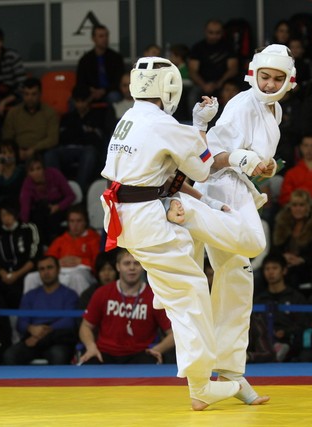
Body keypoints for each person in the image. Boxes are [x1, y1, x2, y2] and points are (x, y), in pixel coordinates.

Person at [100, 56, 244, 410]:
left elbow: (168, 173)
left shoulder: (128, 118)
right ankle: (200, 386)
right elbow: (204, 169)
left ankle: (163, 293)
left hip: (125, 214)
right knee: (192, 292)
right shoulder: (165, 124)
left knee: (179, 269)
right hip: (144, 217)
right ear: (170, 88)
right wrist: (200, 125)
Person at [181, 44, 295, 404]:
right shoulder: (242, 105)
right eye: (265, 77)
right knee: (253, 245)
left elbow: (258, 159)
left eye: (277, 78)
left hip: (240, 191)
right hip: (217, 190)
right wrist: (241, 159)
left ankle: (229, 375)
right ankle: (189, 214)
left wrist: (266, 166)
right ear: (253, 74)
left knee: (238, 281)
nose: (270, 83)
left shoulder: (274, 110)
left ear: (289, 81)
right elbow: (209, 159)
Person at [79, 249, 174, 364]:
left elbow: (173, 333)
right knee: (89, 362)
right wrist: (91, 347)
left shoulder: (154, 297)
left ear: (143, 266)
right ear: (118, 266)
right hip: (105, 353)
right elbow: (85, 326)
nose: (132, 268)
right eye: (127, 263)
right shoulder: (102, 293)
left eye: (137, 263)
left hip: (139, 355)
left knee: (150, 360)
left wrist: (157, 349)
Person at [3, 256, 79, 365]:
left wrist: (44, 332)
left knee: (59, 355)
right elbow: (21, 323)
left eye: (50, 267)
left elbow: (70, 321)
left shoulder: (70, 295)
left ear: (58, 269)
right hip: (32, 339)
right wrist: (31, 328)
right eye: (42, 269)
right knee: (10, 355)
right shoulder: (30, 296)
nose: (46, 272)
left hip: (57, 340)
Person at [45, 85, 115, 193]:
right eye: (77, 101)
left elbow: (97, 141)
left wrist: (78, 133)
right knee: (50, 154)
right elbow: (63, 138)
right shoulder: (67, 117)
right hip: (67, 149)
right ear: (73, 101)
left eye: (83, 101)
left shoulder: (98, 116)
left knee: (90, 152)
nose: (80, 104)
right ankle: (58, 189)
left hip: (87, 150)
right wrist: (85, 132)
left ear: (89, 99)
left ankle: (78, 190)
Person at [24, 204, 100, 296]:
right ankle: (29, 305)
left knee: (77, 277)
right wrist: (57, 263)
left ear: (85, 222)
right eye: (72, 221)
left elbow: (99, 264)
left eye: (79, 221)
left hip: (83, 273)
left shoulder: (94, 238)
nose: (75, 225)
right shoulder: (61, 239)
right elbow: (48, 258)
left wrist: (81, 261)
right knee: (31, 278)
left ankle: (82, 305)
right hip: (60, 272)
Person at [253, 254, 306, 362]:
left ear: (284, 270)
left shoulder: (296, 297)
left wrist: (285, 332)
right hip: (264, 342)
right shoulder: (258, 299)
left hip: (290, 342)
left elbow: (303, 323)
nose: (270, 272)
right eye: (267, 269)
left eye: (274, 268)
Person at [272, 189, 312, 290]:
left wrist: (302, 259)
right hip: (285, 266)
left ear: (308, 207)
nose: (297, 209)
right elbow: (276, 248)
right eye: (294, 205)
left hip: (309, 269)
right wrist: (283, 257)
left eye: (301, 205)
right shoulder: (282, 225)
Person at [18, 154, 76, 244]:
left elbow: (71, 196)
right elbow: (25, 207)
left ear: (44, 168)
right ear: (28, 173)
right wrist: (23, 225)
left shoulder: (54, 174)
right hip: (41, 209)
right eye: (32, 170)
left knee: (52, 219)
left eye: (38, 168)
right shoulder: (27, 183)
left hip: (59, 206)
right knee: (38, 217)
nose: (36, 173)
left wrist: (58, 207)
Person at [0, 200, 40, 308]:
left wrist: (17, 274)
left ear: (15, 214)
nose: (6, 218)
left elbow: (34, 257)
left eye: (9, 214)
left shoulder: (28, 229)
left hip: (25, 272)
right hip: (6, 275)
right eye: (3, 215)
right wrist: (3, 274)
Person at [2, 77, 59, 162]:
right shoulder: (13, 112)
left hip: (40, 152)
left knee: (50, 155)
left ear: (40, 94)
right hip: (17, 152)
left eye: (33, 94)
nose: (30, 98)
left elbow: (53, 139)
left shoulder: (50, 112)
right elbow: (7, 137)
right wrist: (16, 150)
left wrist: (34, 149)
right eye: (26, 94)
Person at [188, 19, 239, 99]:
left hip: (223, 84)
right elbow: (192, 71)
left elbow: (233, 69)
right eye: (211, 32)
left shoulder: (228, 47)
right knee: (193, 94)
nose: (214, 36)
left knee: (231, 91)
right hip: (202, 85)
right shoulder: (198, 48)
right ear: (205, 31)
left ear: (222, 32)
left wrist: (219, 83)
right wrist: (204, 85)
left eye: (217, 33)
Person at [76, 24, 125, 103]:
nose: (105, 39)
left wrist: (104, 90)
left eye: (106, 36)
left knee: (114, 97)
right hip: (90, 93)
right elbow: (81, 82)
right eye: (101, 36)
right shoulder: (85, 60)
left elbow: (119, 81)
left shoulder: (116, 58)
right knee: (74, 101)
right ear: (93, 38)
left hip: (109, 92)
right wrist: (91, 90)